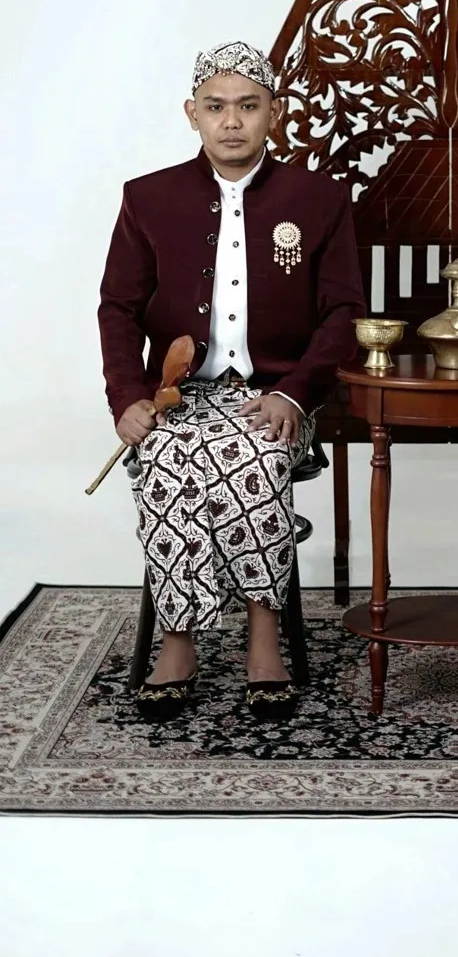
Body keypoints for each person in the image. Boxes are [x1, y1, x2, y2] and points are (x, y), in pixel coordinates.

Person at [98, 41, 365, 723]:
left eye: (248, 106)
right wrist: (127, 397)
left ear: (274, 112)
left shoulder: (319, 199)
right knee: (167, 457)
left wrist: (293, 393)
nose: (232, 121)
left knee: (253, 454)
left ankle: (263, 639)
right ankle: (178, 643)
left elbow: (344, 313)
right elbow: (118, 308)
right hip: (179, 396)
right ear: (192, 114)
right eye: (215, 107)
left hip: (278, 390)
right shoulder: (147, 197)